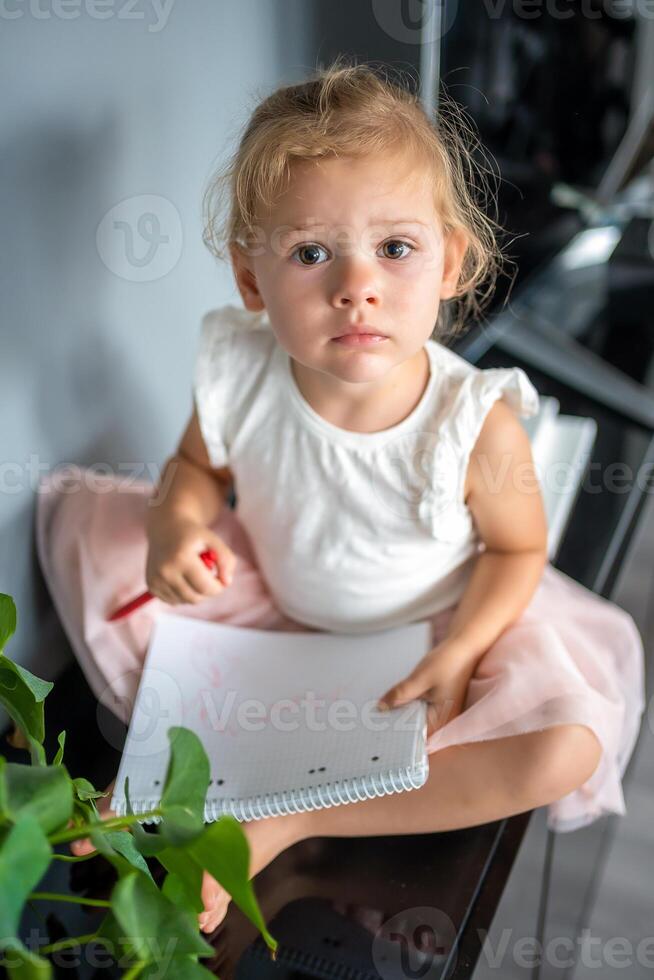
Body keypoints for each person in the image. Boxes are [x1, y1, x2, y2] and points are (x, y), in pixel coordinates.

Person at [36, 58, 645, 935]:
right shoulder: (241, 367)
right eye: (311, 252)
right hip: (279, 613)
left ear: (449, 263)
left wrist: (464, 648)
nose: (354, 285)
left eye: (395, 248)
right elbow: (195, 471)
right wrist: (177, 526)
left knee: (561, 744)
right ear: (253, 281)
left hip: (432, 630)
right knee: (91, 524)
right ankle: (189, 773)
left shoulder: (471, 421)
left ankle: (293, 815)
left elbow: (516, 552)